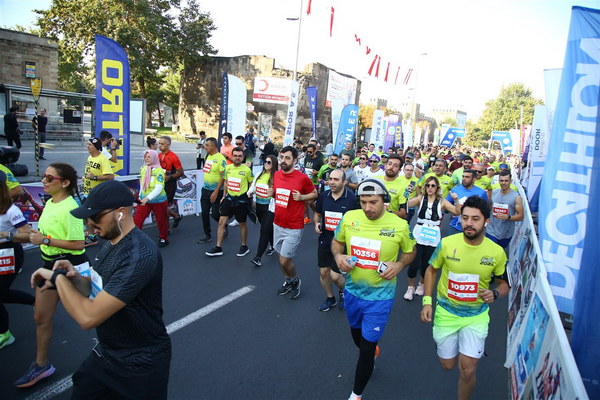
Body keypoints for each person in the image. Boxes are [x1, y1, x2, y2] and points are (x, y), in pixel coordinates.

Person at [30, 180, 171, 398]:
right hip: (107, 353)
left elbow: (88, 317)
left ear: (120, 213)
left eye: (95, 217)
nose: (89, 225)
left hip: (140, 362)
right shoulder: (109, 241)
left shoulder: (139, 255)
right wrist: (72, 278)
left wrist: (57, 279)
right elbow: (95, 288)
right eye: (87, 218)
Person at [332, 179, 416, 400]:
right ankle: (371, 350)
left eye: (373, 202)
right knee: (356, 337)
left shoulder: (399, 225)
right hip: (352, 292)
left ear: (384, 201)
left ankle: (356, 394)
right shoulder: (350, 218)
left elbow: (411, 252)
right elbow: (337, 241)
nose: (367, 207)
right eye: (363, 202)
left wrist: (399, 265)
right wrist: (338, 256)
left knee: (367, 349)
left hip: (380, 297)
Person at [421, 196, 509, 400]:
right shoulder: (446, 243)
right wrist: (427, 301)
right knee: (447, 365)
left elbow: (505, 284)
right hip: (446, 312)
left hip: (476, 316)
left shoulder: (496, 253)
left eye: (475, 219)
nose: (469, 223)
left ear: (486, 221)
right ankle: (447, 347)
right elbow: (431, 270)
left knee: (468, 370)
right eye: (465, 218)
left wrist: (495, 293)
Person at [15, 163, 88, 388]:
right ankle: (41, 364)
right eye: (44, 177)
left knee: (92, 316)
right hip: (49, 264)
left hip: (71, 265)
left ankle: (120, 355)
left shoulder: (71, 207)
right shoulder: (49, 203)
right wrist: (31, 236)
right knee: (41, 316)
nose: (44, 181)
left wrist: (45, 240)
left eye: (49, 178)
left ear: (64, 183)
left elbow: (79, 244)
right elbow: (45, 235)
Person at [270, 146, 318, 299]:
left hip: (294, 226)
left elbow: (314, 193)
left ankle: (295, 280)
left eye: (287, 158)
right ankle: (288, 281)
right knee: (280, 258)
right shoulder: (276, 174)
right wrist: (273, 193)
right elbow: (279, 195)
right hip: (278, 223)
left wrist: (302, 197)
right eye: (282, 157)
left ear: (295, 160)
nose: (283, 161)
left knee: (284, 260)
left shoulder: (302, 178)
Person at [403, 176, 460, 301]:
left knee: (426, 264)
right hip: (419, 234)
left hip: (433, 235)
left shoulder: (442, 201)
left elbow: (457, 211)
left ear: (437, 187)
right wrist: (405, 194)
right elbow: (405, 204)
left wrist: (456, 200)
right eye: (427, 185)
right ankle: (410, 287)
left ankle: (422, 284)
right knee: (414, 264)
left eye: (432, 186)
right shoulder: (420, 198)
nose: (430, 188)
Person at [314, 169, 358, 311]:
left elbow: (359, 221)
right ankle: (330, 298)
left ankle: (344, 292)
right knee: (323, 273)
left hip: (342, 244)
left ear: (344, 182)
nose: (331, 182)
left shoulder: (352, 199)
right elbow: (317, 213)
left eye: (336, 179)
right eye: (330, 179)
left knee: (335, 276)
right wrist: (316, 223)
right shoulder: (324, 196)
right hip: (325, 240)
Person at [0, 171, 34, 349]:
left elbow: (27, 235)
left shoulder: (12, 210)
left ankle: (4, 334)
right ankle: (35, 302)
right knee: (2, 293)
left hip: (8, 253)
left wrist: (6, 234)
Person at [206, 147, 253, 257]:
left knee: (242, 224)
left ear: (243, 157)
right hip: (229, 199)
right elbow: (226, 182)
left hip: (241, 201)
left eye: (240, 156)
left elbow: (251, 184)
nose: (237, 158)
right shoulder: (228, 168)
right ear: (232, 156)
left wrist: (250, 197)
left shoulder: (247, 170)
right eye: (235, 155)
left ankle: (244, 246)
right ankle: (218, 247)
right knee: (221, 222)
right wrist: (224, 196)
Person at [134, 150, 169, 247]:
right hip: (144, 200)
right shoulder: (143, 169)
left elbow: (159, 188)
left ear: (154, 158)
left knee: (161, 221)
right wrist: (140, 196)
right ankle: (135, 240)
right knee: (137, 220)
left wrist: (147, 198)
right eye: (145, 157)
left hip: (158, 201)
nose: (146, 159)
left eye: (148, 157)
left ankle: (164, 238)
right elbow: (142, 184)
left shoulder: (159, 171)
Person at [248, 155, 278, 266]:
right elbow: (253, 187)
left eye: (269, 162)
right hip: (259, 207)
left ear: (274, 164)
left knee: (264, 231)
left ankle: (258, 257)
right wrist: (249, 193)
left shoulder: (276, 177)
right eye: (265, 161)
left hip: (270, 208)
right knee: (268, 230)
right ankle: (273, 245)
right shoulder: (259, 174)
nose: (266, 163)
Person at [197, 137, 227, 244]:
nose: (205, 147)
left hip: (216, 191)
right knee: (204, 213)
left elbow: (223, 177)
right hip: (205, 189)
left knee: (215, 214)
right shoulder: (207, 156)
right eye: (205, 145)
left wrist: (216, 191)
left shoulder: (221, 159)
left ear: (214, 146)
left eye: (207, 145)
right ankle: (207, 235)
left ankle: (224, 224)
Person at [486, 170, 524, 248]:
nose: (503, 183)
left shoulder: (516, 197)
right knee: (491, 250)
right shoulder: (494, 193)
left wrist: (508, 217)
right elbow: (489, 207)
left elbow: (521, 216)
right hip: (491, 230)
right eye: (502, 181)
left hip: (506, 232)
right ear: (499, 181)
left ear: (510, 181)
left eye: (506, 181)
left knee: (501, 251)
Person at [446, 169, 488, 234]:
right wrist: (453, 211)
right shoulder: (455, 190)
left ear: (474, 179)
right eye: (463, 176)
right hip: (455, 226)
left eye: (467, 177)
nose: (464, 179)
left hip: (472, 228)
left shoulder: (481, 193)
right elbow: (446, 204)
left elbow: (485, 210)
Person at [158, 136, 183, 228]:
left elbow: (181, 172)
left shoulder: (173, 157)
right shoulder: (158, 156)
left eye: (162, 144)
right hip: (160, 184)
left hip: (170, 185)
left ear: (168, 145)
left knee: (163, 206)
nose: (160, 146)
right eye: (159, 144)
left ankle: (166, 228)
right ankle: (176, 216)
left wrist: (169, 177)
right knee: (159, 205)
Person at [376, 154, 408, 219]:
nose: (391, 167)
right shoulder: (375, 180)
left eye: (395, 166)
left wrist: (387, 213)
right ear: (385, 165)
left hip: (388, 221)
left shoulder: (402, 187)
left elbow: (404, 213)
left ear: (399, 170)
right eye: (390, 164)